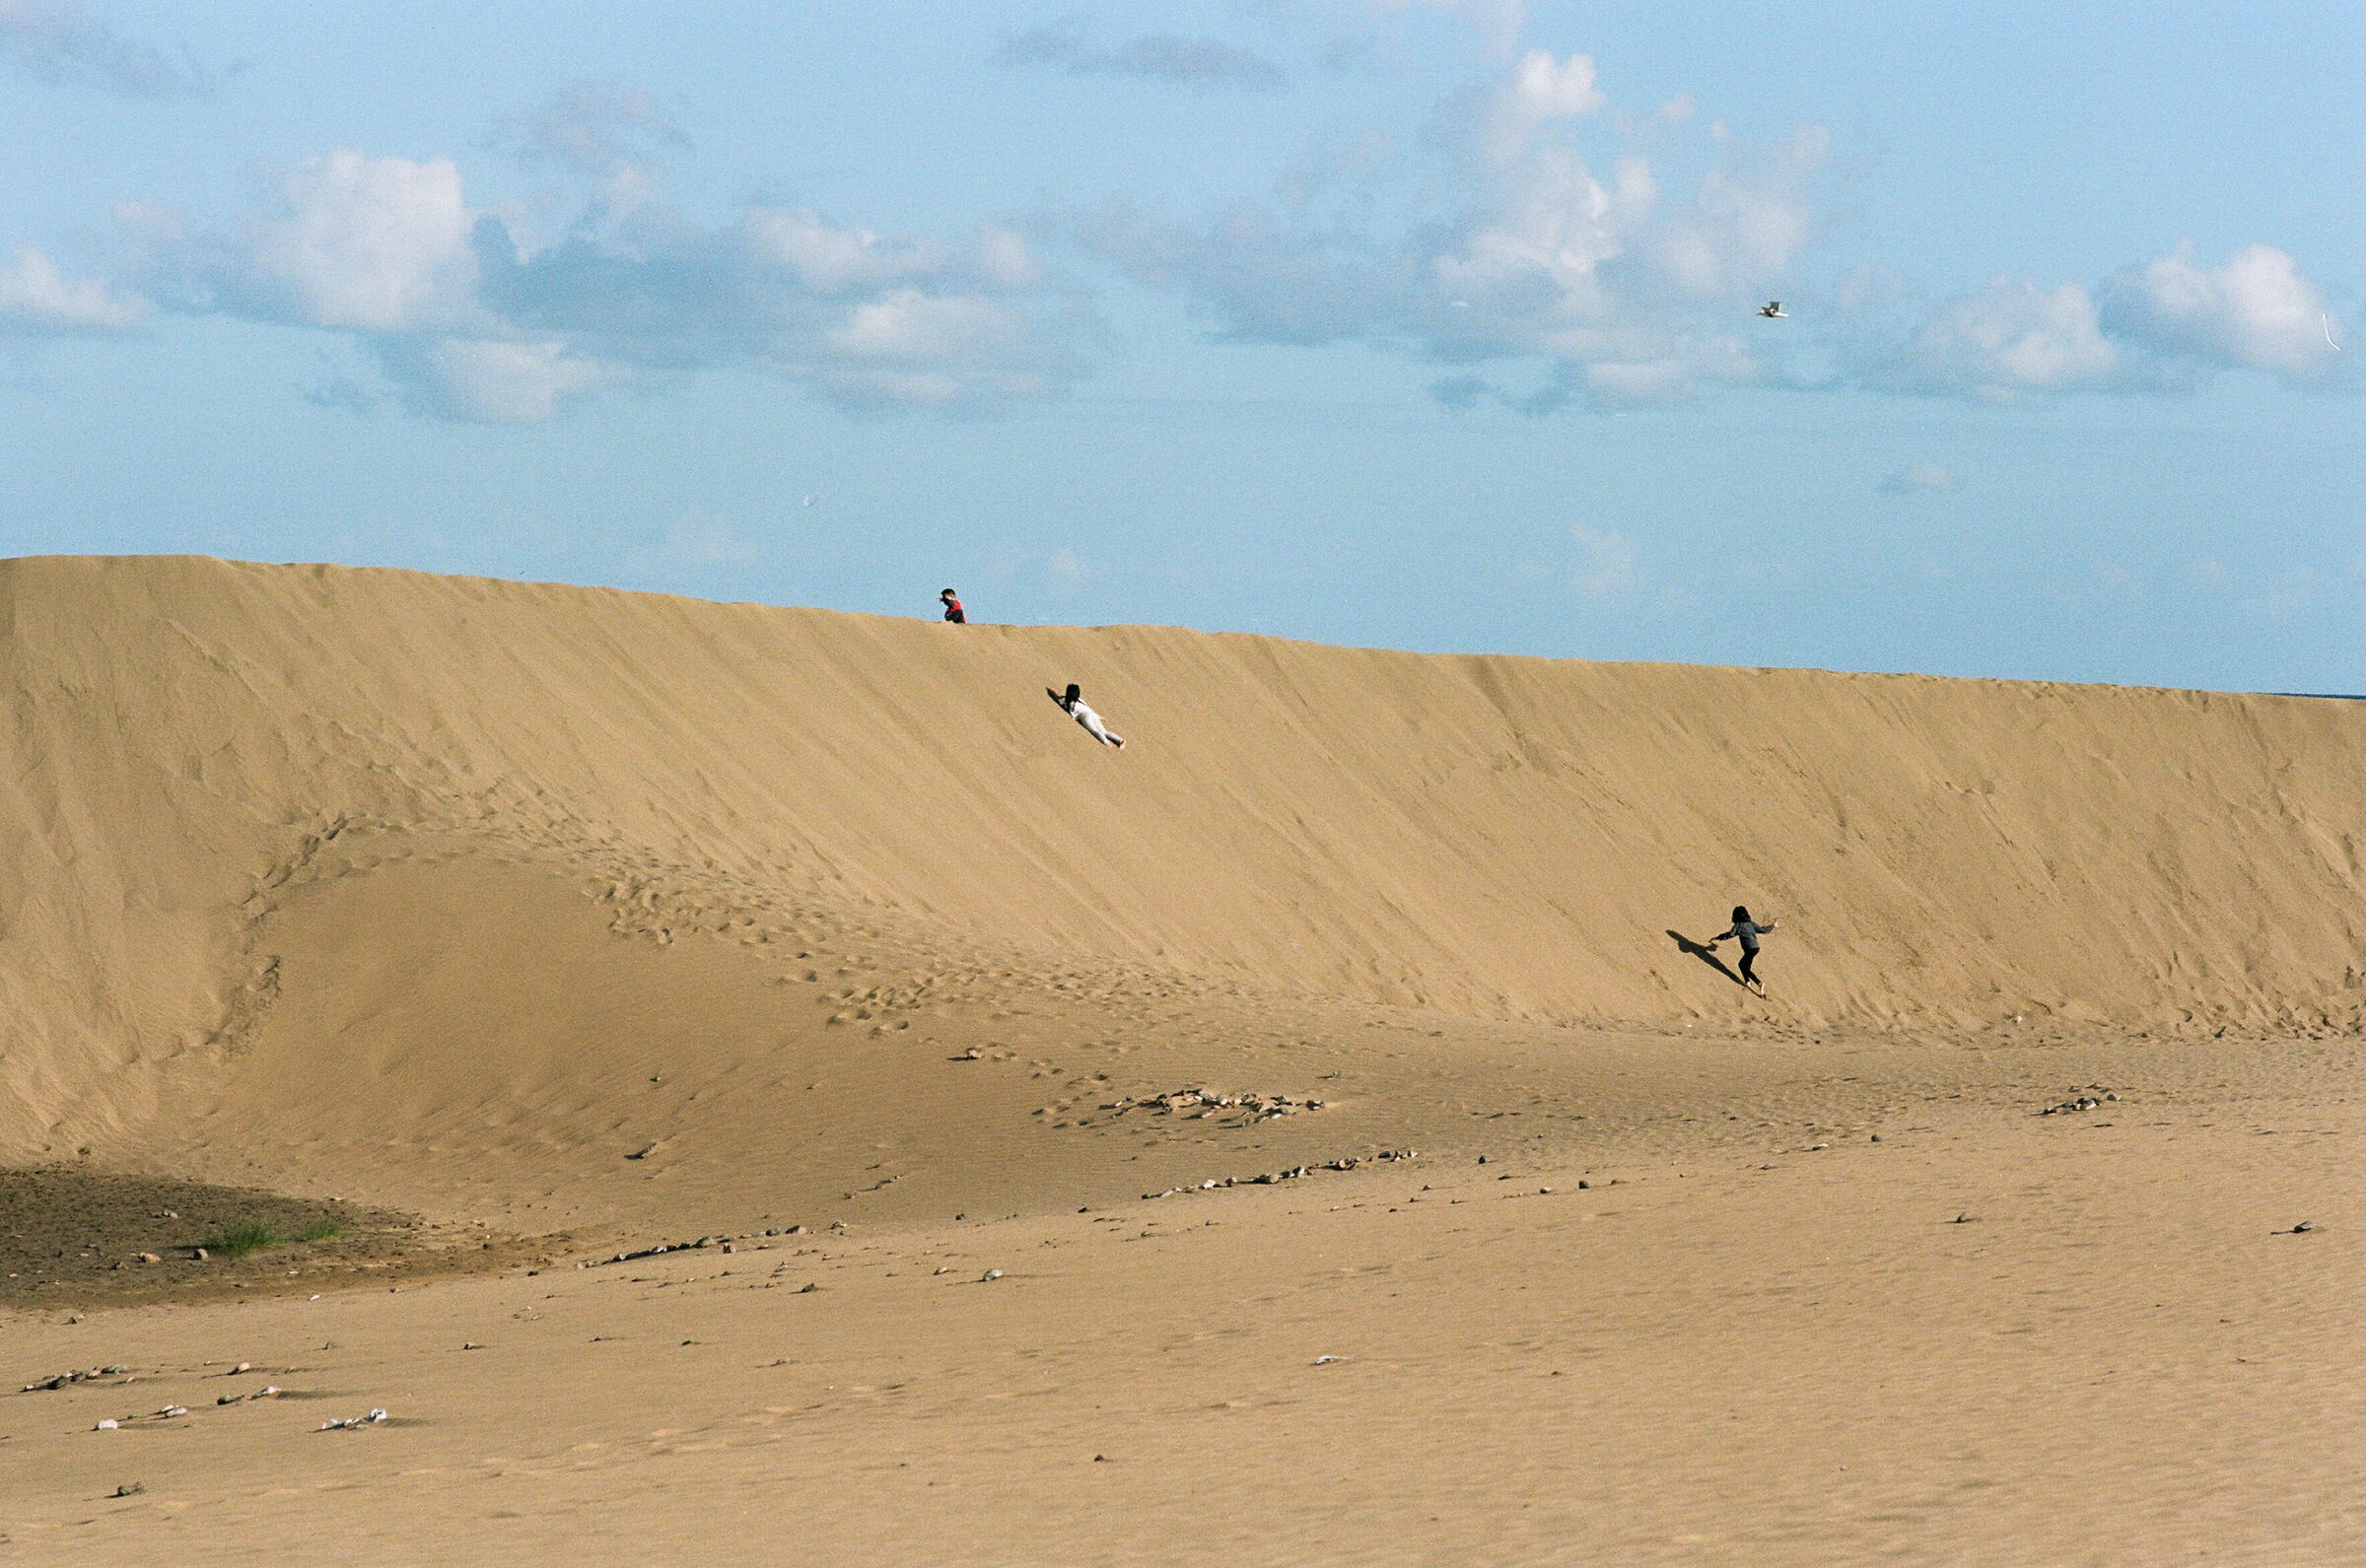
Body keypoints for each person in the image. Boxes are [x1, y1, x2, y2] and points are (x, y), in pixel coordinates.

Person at [1706, 905, 1780, 995]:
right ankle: (1748, 982)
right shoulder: (1751, 924)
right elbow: (1763, 930)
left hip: (1750, 949)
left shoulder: (1739, 926)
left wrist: (1717, 937)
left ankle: (1759, 983)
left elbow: (1730, 934)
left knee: (1743, 966)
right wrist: (1773, 926)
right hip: (1756, 948)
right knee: (1744, 966)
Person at [1047, 683, 1125, 748]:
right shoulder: (1081, 700)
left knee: (1095, 731)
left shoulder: (1065, 701)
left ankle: (1106, 742)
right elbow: (1088, 708)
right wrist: (1099, 717)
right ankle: (1120, 740)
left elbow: (1059, 700)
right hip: (1092, 714)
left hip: (1085, 716)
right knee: (1104, 731)